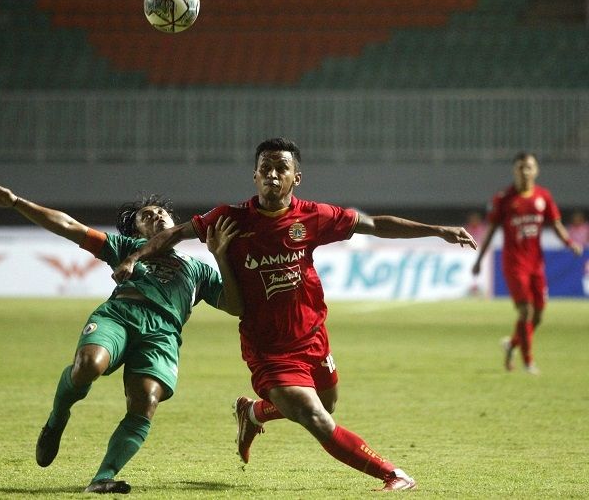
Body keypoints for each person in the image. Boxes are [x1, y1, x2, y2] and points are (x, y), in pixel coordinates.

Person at [113, 137, 478, 492]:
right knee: (317, 417)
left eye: (281, 168)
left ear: (295, 178)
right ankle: (393, 474)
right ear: (254, 176)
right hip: (269, 348)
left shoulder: (315, 216)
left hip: (312, 335)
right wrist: (133, 257)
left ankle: (254, 413)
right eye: (264, 168)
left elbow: (374, 224)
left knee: (327, 402)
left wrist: (437, 231)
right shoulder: (228, 218)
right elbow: (174, 234)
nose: (272, 174)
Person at [0, 179, 242, 495]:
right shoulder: (125, 249)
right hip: (120, 316)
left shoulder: (199, 269)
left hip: (162, 334)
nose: (155, 216)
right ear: (136, 231)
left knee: (146, 401)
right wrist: (17, 201)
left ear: (172, 221)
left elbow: (235, 306)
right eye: (146, 216)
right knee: (88, 365)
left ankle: (103, 477)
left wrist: (221, 255)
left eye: (160, 212)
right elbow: (68, 226)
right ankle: (57, 419)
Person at [472, 152, 582, 374]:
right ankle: (528, 362)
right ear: (514, 170)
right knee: (526, 311)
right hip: (514, 264)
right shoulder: (503, 199)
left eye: (529, 167)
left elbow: (557, 224)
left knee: (539, 316)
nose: (525, 171)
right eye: (520, 167)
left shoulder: (543, 196)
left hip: (536, 264)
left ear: (536, 170)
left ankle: (512, 345)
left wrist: (570, 242)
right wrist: (479, 260)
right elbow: (492, 231)